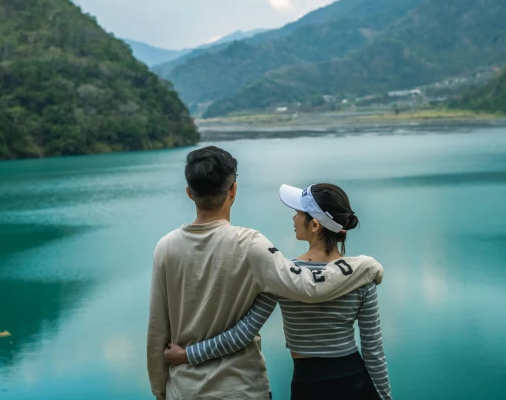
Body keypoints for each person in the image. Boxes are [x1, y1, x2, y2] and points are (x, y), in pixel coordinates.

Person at [147, 147, 385, 400]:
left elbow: (158, 331)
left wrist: (166, 384)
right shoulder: (255, 247)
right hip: (248, 389)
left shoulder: (166, 246)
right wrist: (365, 264)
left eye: (298, 213)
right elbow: (372, 349)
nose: (294, 217)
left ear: (189, 192)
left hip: (193, 389)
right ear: (233, 190)